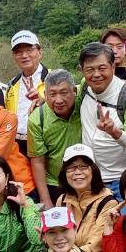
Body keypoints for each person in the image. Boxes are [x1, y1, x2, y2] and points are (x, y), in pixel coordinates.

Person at [78, 43, 126, 201]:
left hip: (121, 181)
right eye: (89, 70)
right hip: (91, 180)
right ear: (81, 70)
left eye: (102, 68)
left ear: (113, 67)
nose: (96, 74)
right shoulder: (84, 87)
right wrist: (43, 100)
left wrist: (114, 132)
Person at [27, 69, 83, 208]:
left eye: (64, 93)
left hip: (87, 179)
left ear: (74, 91)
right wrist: (46, 201)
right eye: (52, 94)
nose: (58, 100)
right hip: (56, 184)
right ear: (45, 95)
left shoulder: (83, 102)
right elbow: (37, 162)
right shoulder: (37, 119)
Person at [55, 144, 119, 252]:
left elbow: (96, 244)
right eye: (71, 167)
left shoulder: (108, 202)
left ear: (93, 170)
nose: (77, 172)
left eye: (83, 166)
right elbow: (56, 236)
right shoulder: (62, 200)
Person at [6, 30, 49, 155]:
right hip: (17, 145)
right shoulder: (11, 85)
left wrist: (45, 100)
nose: (24, 55)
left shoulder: (54, 78)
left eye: (29, 50)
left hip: (46, 142)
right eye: (18, 52)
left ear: (40, 52)